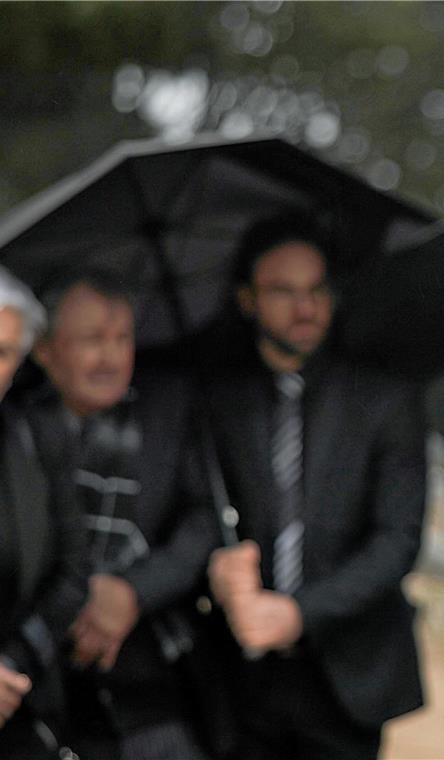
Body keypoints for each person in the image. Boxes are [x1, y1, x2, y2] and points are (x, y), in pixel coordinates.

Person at [205, 215, 427, 760]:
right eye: (283, 291)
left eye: (316, 290)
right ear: (247, 300)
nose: (305, 308)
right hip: (235, 676)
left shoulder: (384, 401)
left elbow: (397, 542)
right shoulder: (217, 402)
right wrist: (218, 572)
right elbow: (197, 515)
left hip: (346, 672)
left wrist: (298, 613)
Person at [28, 271, 217, 760]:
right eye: (93, 339)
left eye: (123, 338)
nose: (111, 357)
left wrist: (132, 592)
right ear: (45, 350)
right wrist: (72, 600)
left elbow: (204, 519)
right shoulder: (18, 426)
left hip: (151, 679)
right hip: (36, 683)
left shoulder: (171, 408)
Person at [0, 266, 87, 760]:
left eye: (3, 352)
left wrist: (10, 665)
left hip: (21, 705)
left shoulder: (36, 437)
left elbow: (72, 573)